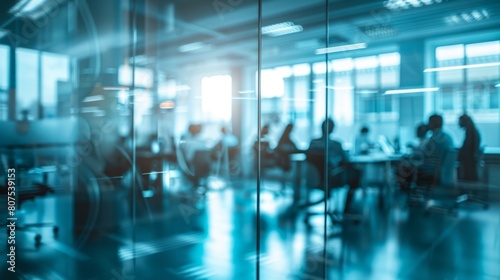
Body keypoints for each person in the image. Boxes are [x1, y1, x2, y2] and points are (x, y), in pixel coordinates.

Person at [307, 118, 360, 214]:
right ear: (332, 129)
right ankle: (347, 209)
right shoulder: (336, 144)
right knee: (357, 174)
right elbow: (346, 161)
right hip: (333, 178)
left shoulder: (313, 143)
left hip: (315, 179)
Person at [457, 114, 481, 182]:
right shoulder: (472, 132)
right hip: (470, 162)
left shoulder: (471, 134)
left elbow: (466, 150)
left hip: (469, 164)